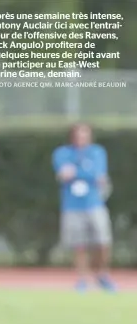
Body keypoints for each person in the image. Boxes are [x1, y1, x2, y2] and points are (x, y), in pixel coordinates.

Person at [52, 123, 116, 292]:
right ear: (72, 136)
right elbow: (63, 173)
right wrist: (84, 172)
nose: (81, 138)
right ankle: (82, 279)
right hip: (72, 207)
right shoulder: (62, 153)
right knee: (79, 245)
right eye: (78, 135)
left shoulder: (97, 152)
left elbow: (98, 174)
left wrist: (76, 172)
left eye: (85, 135)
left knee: (103, 242)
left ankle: (102, 274)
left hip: (95, 204)